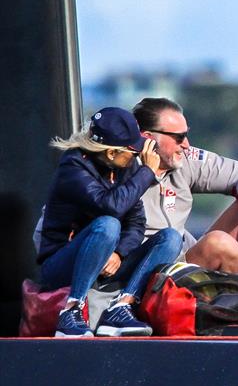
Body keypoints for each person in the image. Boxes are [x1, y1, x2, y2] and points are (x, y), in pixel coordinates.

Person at [37, 108, 182, 337]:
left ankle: (121, 306)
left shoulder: (125, 166)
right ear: (112, 153)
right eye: (133, 151)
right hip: (62, 264)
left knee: (170, 238)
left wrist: (120, 254)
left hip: (105, 260)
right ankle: (72, 310)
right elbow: (110, 206)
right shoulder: (73, 167)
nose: (138, 156)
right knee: (108, 224)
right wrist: (147, 173)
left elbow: (136, 223)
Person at [132, 98, 238, 276]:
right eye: (179, 137)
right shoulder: (119, 169)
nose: (186, 144)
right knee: (217, 243)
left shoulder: (185, 159)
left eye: (186, 134)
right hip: (148, 275)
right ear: (148, 137)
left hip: (184, 260)